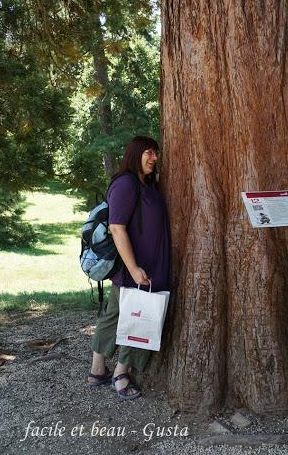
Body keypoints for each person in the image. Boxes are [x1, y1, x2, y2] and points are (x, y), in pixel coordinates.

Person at [87, 135, 172, 400]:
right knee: (139, 318)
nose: (154, 158)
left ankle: (96, 370)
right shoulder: (126, 184)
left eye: (156, 153)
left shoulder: (147, 185)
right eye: (148, 152)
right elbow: (116, 227)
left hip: (146, 265)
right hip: (137, 268)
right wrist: (133, 267)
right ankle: (120, 374)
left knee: (114, 315)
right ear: (135, 153)